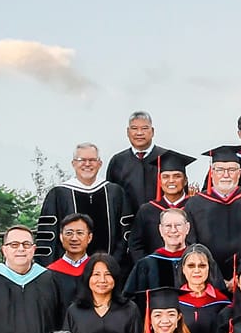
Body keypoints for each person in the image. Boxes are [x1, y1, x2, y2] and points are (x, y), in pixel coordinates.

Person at [36, 143, 134, 275]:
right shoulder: (58, 194)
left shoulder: (115, 192)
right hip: (67, 272)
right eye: (82, 160)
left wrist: (115, 263)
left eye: (92, 160)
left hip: (110, 271)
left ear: (100, 164)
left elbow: (125, 233)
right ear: (73, 163)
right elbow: (47, 237)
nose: (87, 164)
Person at [185, 146, 241, 277]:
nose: (226, 175)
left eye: (232, 170)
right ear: (211, 172)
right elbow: (191, 245)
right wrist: (212, 278)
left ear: (239, 172)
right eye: (220, 170)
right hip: (206, 279)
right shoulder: (195, 203)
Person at [128, 149, 197, 263]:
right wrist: (148, 266)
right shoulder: (147, 210)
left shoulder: (195, 207)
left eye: (176, 176)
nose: (171, 181)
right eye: (165, 177)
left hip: (189, 271)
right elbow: (136, 245)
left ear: (185, 180)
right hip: (154, 271)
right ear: (159, 181)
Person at [106, 110, 162, 216]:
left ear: (153, 131)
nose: (139, 133)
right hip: (127, 224)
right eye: (134, 128)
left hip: (161, 223)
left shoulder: (165, 157)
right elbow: (111, 197)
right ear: (128, 132)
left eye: (144, 128)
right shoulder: (118, 161)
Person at [44, 214, 95, 305]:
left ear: (89, 237)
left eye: (80, 233)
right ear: (61, 237)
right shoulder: (49, 274)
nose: (74, 238)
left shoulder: (96, 269)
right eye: (69, 233)